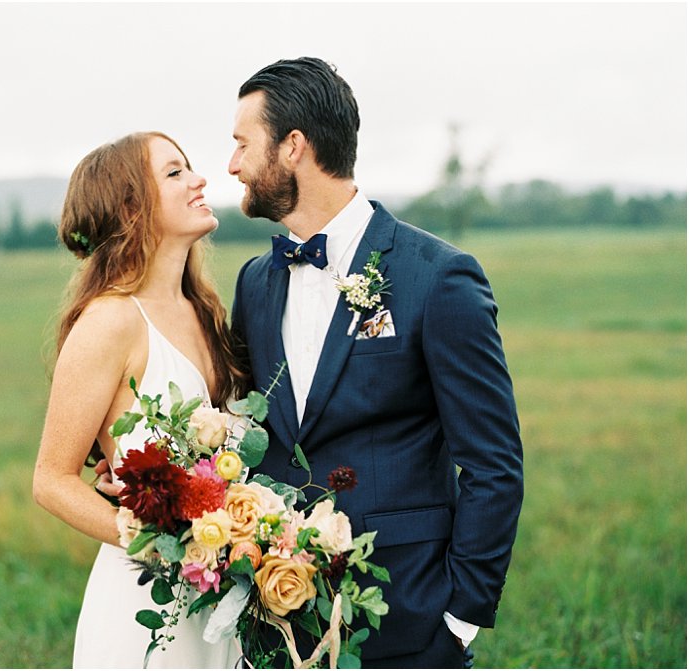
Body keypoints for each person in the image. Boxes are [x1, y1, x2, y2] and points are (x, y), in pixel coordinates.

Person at [228, 57, 524, 668]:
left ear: (293, 147)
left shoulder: (438, 278)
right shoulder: (255, 282)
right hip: (279, 624)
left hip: (409, 618)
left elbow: (494, 465)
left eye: (241, 143)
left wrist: (460, 619)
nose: (231, 165)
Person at [32, 131, 245, 669]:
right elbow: (51, 481)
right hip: (145, 604)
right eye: (175, 173)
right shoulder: (110, 321)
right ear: (131, 206)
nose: (199, 179)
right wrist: (159, 542)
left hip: (223, 601)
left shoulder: (206, 314)